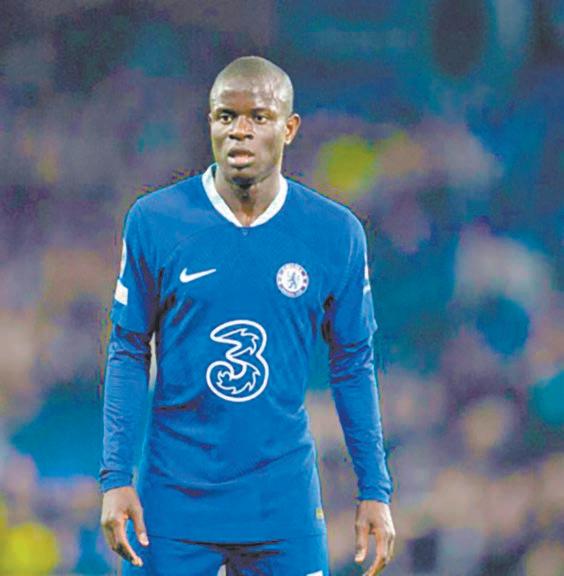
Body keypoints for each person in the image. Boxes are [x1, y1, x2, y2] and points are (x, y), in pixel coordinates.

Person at [99, 55, 395, 576]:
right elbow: (127, 349)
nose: (240, 131)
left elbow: (353, 363)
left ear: (289, 128)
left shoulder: (334, 233)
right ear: (209, 123)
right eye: (225, 116)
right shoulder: (155, 221)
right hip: (174, 500)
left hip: (281, 500)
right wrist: (116, 476)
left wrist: (375, 488)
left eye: (259, 117)